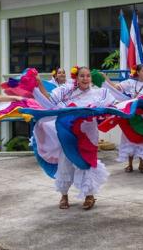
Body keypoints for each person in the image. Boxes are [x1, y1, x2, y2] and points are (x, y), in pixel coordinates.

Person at [33, 66, 117, 210]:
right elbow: (49, 100)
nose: (86, 79)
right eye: (82, 76)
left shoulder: (99, 94)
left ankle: (89, 195)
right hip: (69, 133)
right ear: (76, 79)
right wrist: (39, 83)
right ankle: (64, 196)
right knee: (65, 161)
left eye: (88, 76)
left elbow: (113, 105)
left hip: (88, 134)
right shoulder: (67, 92)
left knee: (87, 161)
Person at [103, 64, 143, 173]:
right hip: (132, 115)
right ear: (138, 72)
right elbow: (116, 88)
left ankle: (141, 164)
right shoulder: (130, 82)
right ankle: (129, 164)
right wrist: (105, 78)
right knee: (129, 137)